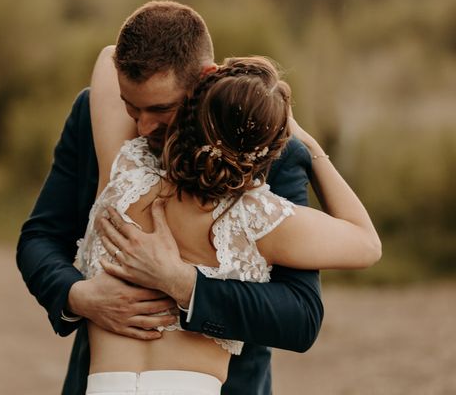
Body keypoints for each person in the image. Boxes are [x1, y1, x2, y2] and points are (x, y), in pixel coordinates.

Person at [16, 1, 323, 394]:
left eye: (161, 109)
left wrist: (185, 286)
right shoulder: (94, 116)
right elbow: (40, 237)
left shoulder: (268, 151)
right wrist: (79, 295)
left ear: (205, 78)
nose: (143, 126)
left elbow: (300, 316)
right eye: (132, 107)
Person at [76, 54, 381, 394]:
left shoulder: (123, 176)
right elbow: (368, 244)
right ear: (268, 150)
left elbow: (110, 57)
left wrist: (204, 75)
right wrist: (309, 145)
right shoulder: (255, 221)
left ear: (185, 117)